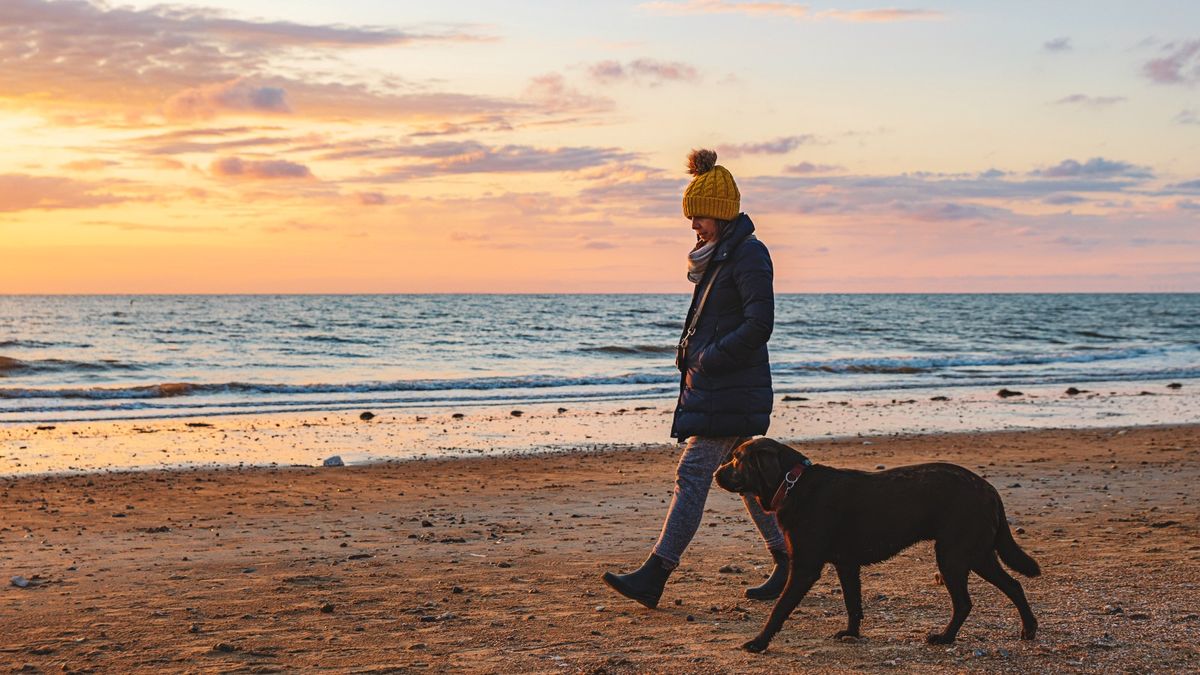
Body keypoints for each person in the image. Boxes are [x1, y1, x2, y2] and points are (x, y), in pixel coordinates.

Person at [602, 148, 787, 609]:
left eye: (698, 216)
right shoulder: (721, 256)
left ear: (721, 214)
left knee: (693, 473)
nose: (692, 227)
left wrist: (707, 359)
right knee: (748, 478)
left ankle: (655, 574)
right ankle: (790, 561)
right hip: (721, 388)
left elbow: (758, 324)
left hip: (727, 385)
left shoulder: (748, 255)